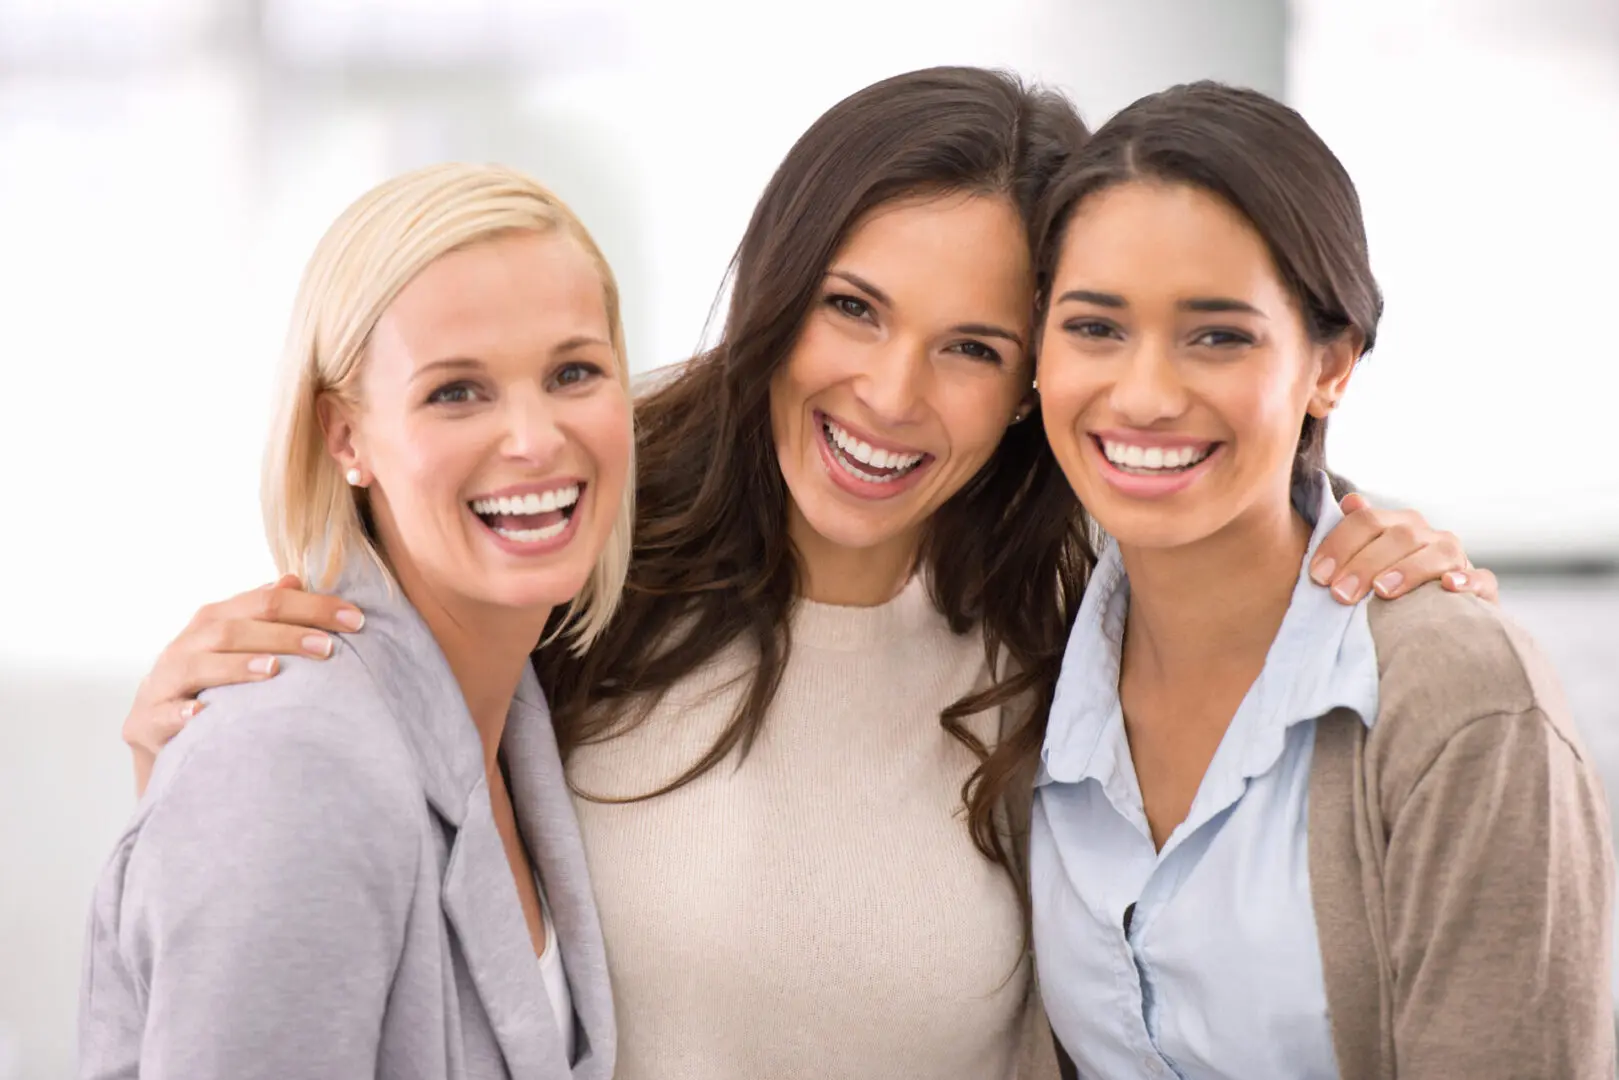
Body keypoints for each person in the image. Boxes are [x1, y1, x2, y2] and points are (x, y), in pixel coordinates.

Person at [115, 70, 1494, 1080]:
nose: (889, 396)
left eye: (971, 346)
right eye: (851, 307)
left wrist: (1347, 523)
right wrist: (188, 756)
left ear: (1031, 380)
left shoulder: (1070, 616)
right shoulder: (589, 525)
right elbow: (347, 771)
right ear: (776, 295)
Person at [1029, 81, 1615, 1079]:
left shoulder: (1456, 701)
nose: (1143, 393)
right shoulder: (1021, 647)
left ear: (1330, 364)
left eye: (1217, 335)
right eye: (1094, 327)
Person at [79, 163, 635, 1080]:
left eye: (573, 371)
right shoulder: (293, 759)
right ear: (345, 436)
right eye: (456, 391)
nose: (535, 438)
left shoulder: (518, 722)